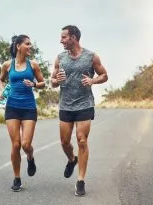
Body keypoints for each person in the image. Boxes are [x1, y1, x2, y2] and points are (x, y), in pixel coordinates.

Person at [51, 25, 108, 196]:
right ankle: (71, 159)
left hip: (84, 103)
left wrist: (92, 81)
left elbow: (104, 75)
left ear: (74, 37)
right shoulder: (60, 58)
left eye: (64, 37)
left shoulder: (91, 56)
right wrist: (56, 80)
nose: (61, 41)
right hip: (66, 105)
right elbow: (52, 81)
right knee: (64, 142)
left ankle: (80, 180)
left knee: (82, 140)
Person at [0, 34, 45, 192]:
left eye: (30, 44)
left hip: (29, 108)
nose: (30, 46)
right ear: (18, 46)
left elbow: (43, 83)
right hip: (12, 107)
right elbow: (1, 80)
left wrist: (34, 84)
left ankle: (30, 158)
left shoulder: (34, 65)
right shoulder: (7, 65)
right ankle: (17, 178)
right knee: (16, 144)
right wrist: (2, 90)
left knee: (25, 144)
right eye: (27, 44)